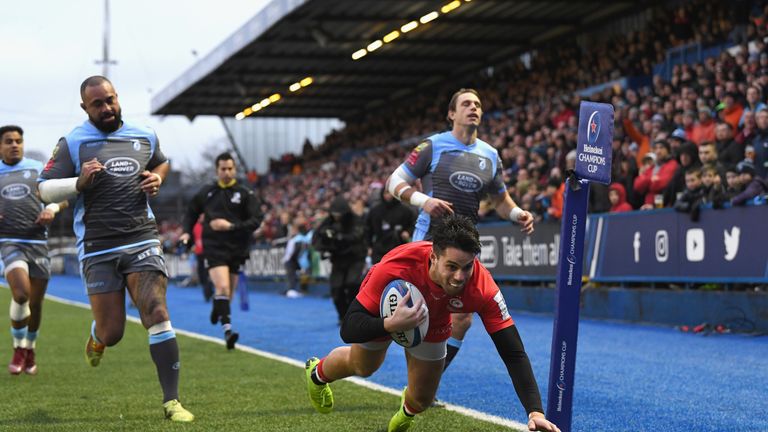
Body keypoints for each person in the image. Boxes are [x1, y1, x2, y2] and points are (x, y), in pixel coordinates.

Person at [304, 215, 559, 432]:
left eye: (467, 267)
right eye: (451, 266)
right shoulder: (395, 268)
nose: (459, 277)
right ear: (433, 257)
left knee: (422, 399)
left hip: (434, 321)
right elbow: (348, 328)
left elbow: (513, 352)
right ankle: (317, 374)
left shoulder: (483, 287)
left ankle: (406, 411)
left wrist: (535, 412)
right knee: (363, 366)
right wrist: (389, 323)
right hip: (388, 312)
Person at [37, 76, 193, 422]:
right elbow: (43, 190)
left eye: (110, 100)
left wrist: (159, 177)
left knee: (156, 311)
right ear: (84, 108)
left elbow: (160, 160)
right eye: (97, 104)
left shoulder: (144, 134)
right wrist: (78, 182)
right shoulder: (73, 142)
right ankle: (97, 336)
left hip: (142, 238)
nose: (106, 108)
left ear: (117, 97)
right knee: (113, 332)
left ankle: (172, 402)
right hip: (97, 247)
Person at [385, 88, 534, 371]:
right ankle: (415, 377)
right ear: (452, 114)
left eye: (478, 104)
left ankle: (430, 380)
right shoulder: (432, 146)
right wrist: (424, 200)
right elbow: (394, 182)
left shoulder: (490, 155)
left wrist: (517, 213)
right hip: (429, 243)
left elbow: (500, 199)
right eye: (466, 104)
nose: (473, 108)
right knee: (419, 314)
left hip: (465, 249)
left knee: (463, 319)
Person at [0, 125, 67, 375]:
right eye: (8, 141)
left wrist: (52, 209)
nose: (15, 145)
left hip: (38, 242)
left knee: (36, 305)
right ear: (0, 146)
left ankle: (30, 348)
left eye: (18, 140)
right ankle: (18, 348)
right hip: (10, 242)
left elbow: (61, 197)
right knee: (21, 294)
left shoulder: (37, 168)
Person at [180, 152, 262, 350]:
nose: (227, 172)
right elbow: (191, 214)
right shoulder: (206, 193)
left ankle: (218, 306)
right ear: (217, 170)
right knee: (223, 288)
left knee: (228, 296)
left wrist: (231, 227)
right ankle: (228, 332)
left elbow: (256, 221)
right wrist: (186, 233)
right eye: (223, 169)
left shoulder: (245, 194)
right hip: (214, 247)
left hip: (237, 248)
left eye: (230, 168)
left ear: (234, 169)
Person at [311, 196, 367, 323]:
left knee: (352, 284)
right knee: (336, 289)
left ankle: (354, 313)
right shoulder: (328, 222)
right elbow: (316, 239)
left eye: (339, 214)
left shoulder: (356, 221)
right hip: (337, 259)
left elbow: (357, 236)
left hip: (355, 258)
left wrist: (339, 237)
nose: (336, 216)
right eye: (334, 214)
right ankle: (343, 316)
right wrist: (324, 247)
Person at [366, 187, 416, 264]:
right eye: (385, 193)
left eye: (389, 193)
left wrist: (408, 232)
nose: (388, 196)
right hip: (380, 248)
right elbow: (368, 229)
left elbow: (413, 224)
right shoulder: (375, 211)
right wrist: (369, 246)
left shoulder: (405, 210)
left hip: (399, 248)